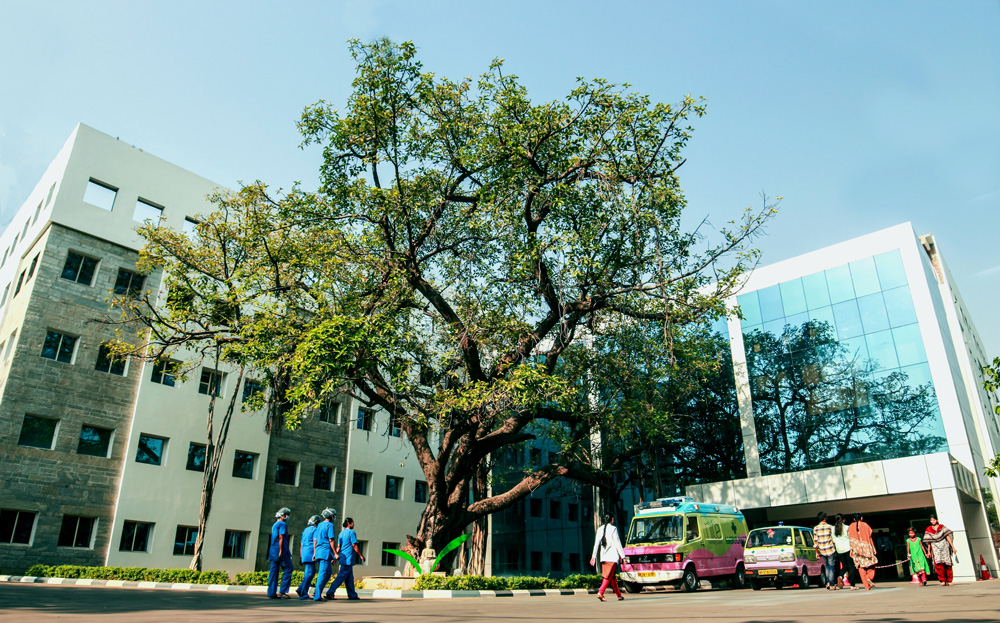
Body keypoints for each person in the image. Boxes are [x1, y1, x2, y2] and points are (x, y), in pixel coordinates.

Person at [325, 517, 365, 600]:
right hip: (348, 558)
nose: (354, 524)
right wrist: (361, 555)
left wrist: (335, 556)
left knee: (349, 578)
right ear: (349, 523)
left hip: (343, 558)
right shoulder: (351, 532)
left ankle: (352, 595)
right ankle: (330, 592)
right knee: (341, 576)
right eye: (353, 523)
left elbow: (338, 547)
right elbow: (354, 545)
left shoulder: (341, 533)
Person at [590, 514, 626, 602]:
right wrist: (623, 556)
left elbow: (596, 544)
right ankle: (600, 592)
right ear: (612, 519)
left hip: (604, 557)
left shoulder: (599, 529)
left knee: (612, 577)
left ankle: (619, 595)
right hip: (612, 557)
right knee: (608, 577)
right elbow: (618, 543)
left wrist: (593, 556)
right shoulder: (613, 529)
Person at [313, 508, 340, 601]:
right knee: (323, 574)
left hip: (319, 551)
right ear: (331, 515)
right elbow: (331, 540)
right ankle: (317, 595)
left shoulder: (319, 525)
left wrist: (314, 553)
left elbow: (315, 540)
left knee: (328, 573)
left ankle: (317, 591)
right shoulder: (330, 525)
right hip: (324, 552)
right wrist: (335, 553)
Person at [922, 514, 957, 586]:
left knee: (947, 563)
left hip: (944, 547)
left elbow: (947, 537)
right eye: (931, 520)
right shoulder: (928, 529)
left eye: (934, 520)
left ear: (936, 520)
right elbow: (928, 542)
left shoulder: (942, 527)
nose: (933, 521)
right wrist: (928, 551)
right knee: (938, 564)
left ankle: (949, 580)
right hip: (935, 548)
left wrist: (953, 547)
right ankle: (942, 580)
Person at [267, 507, 293, 599]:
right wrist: (281, 551)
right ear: (283, 515)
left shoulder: (275, 524)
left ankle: (271, 593)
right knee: (288, 568)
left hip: (273, 551)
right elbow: (281, 537)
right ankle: (282, 591)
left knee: (273, 572)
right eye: (288, 515)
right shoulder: (282, 524)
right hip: (281, 550)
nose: (288, 517)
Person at [848, 512, 878, 590]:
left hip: (856, 549)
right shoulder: (865, 525)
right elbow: (870, 537)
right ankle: (869, 577)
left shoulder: (850, 526)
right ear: (861, 518)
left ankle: (866, 586)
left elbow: (850, 539)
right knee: (872, 564)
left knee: (861, 567)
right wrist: (874, 548)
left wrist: (851, 550)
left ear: (854, 519)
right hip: (866, 547)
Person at [297, 515, 322, 599]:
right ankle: (303, 593)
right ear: (316, 522)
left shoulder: (305, 530)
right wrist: (315, 553)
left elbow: (301, 544)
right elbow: (315, 541)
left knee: (311, 572)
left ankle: (301, 588)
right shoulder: (315, 530)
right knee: (309, 573)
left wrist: (301, 556)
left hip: (304, 552)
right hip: (310, 552)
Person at [832, 514, 859, 590]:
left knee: (845, 565)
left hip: (839, 549)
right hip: (847, 548)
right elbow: (850, 538)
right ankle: (852, 585)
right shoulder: (847, 527)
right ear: (843, 520)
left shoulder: (833, 529)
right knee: (851, 566)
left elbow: (833, 540)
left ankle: (840, 575)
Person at [813, 512, 837, 590]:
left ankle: (828, 582)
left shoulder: (815, 528)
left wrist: (816, 552)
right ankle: (832, 584)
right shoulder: (830, 527)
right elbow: (834, 538)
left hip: (822, 550)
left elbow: (815, 542)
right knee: (831, 566)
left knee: (827, 566)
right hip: (830, 549)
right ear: (825, 518)